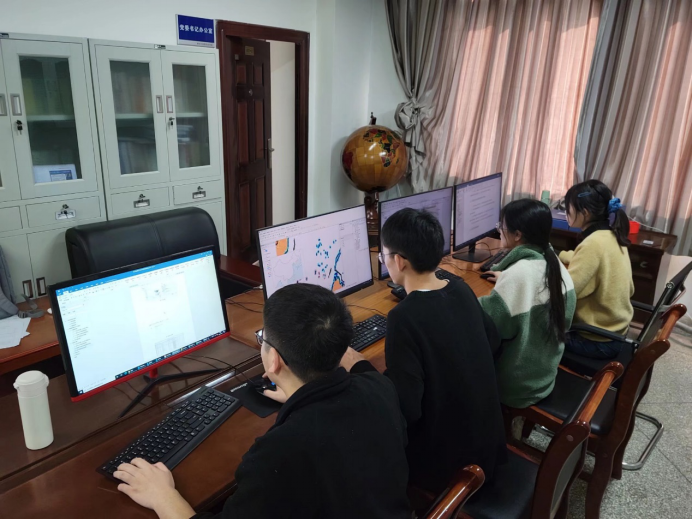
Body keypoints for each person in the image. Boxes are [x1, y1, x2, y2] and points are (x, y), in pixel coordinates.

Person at [114, 284, 412, 519]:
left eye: (263, 339)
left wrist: (163, 497)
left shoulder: (279, 453)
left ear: (273, 360)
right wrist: (298, 393)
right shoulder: (379, 387)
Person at [341, 208, 506, 495]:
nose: (383, 260)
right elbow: (493, 342)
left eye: (383, 255)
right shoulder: (460, 288)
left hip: (451, 469)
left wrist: (360, 366)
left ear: (399, 261)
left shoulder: (404, 317)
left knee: (355, 442)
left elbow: (406, 409)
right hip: (488, 448)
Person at [478, 199, 577, 409]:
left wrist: (461, 298)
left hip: (516, 386)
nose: (499, 230)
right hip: (544, 373)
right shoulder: (554, 264)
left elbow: (488, 328)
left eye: (502, 226)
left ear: (517, 235)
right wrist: (507, 281)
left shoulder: (519, 275)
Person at [560, 179, 634, 359]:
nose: (566, 212)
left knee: (531, 330)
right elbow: (593, 261)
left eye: (568, 207)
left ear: (584, 212)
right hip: (615, 332)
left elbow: (566, 292)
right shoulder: (611, 234)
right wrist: (561, 255)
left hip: (595, 339)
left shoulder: (593, 244)